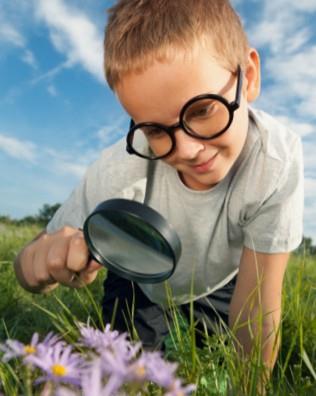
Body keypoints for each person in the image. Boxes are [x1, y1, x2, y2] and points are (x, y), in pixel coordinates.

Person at [14, 0, 303, 379]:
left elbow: (256, 307)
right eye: (153, 130)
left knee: (209, 365)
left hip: (217, 284)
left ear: (247, 77)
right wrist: (40, 264)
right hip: (138, 276)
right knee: (130, 369)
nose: (185, 149)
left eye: (202, 110)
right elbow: (26, 264)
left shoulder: (274, 162)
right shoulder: (120, 168)